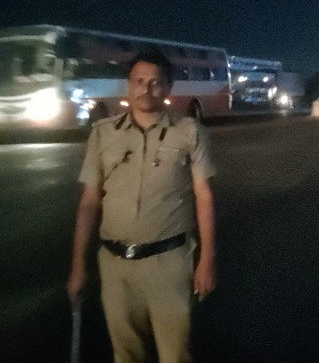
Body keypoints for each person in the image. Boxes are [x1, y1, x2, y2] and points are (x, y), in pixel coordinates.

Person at [67, 51, 217, 363]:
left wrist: (207, 259)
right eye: (139, 81)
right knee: (126, 354)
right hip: (115, 267)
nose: (146, 89)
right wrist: (78, 266)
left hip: (170, 263)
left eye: (155, 82)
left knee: (174, 354)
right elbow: (89, 203)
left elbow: (204, 196)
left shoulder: (190, 131)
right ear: (129, 85)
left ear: (168, 87)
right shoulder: (103, 133)